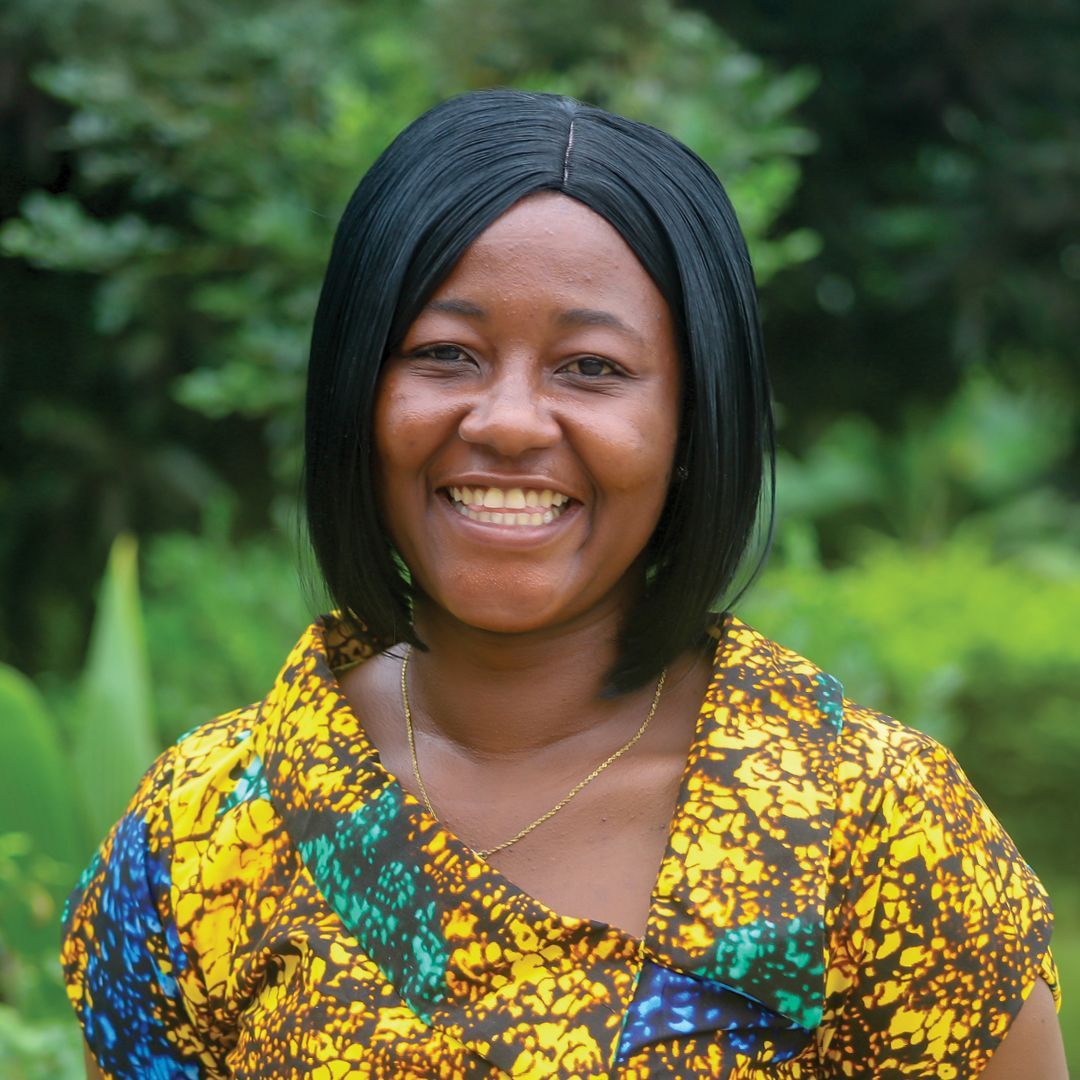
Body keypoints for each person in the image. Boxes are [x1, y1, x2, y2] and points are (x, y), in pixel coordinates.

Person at [62, 90, 1065, 1079]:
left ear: (692, 426)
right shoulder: (205, 828)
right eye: (444, 353)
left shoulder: (869, 827)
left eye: (589, 367)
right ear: (354, 395)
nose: (507, 422)